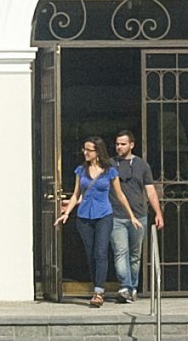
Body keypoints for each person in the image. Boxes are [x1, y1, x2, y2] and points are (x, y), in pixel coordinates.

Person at [55, 136, 119, 306]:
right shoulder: (81, 171)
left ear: (97, 152)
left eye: (88, 150)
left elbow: (119, 194)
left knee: (101, 252)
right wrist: (67, 213)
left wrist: (132, 215)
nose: (85, 152)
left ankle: (99, 292)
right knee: (91, 255)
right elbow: (76, 194)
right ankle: (95, 286)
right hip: (84, 217)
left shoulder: (109, 171)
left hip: (104, 214)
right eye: (84, 149)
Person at [108, 128, 164, 302]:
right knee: (120, 251)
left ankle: (132, 287)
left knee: (135, 254)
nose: (119, 147)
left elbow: (150, 191)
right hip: (116, 215)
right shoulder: (110, 164)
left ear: (131, 145)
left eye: (123, 144)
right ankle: (124, 286)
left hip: (139, 215)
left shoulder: (142, 165)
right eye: (117, 144)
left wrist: (158, 212)